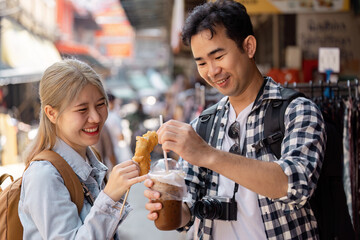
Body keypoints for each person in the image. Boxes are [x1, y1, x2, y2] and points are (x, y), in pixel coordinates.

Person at [143, 1, 327, 239]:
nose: (211, 71)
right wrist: (168, 206)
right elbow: (188, 211)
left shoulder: (297, 111)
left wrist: (208, 155)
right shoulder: (204, 124)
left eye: (218, 56)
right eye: (201, 63)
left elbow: (296, 185)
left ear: (248, 47)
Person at [19, 59, 146, 239]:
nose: (95, 117)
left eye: (101, 104)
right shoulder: (44, 175)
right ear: (51, 113)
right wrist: (109, 197)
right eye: (82, 109)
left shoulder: (90, 158)